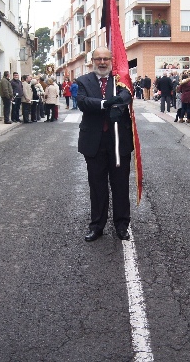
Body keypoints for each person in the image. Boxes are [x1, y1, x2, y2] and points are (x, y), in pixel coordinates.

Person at [76, 47, 133, 242]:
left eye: (106, 59)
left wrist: (119, 102)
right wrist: (106, 104)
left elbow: (127, 96)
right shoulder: (83, 81)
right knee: (97, 185)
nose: (102, 62)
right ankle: (97, 226)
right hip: (94, 142)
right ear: (92, 61)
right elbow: (83, 102)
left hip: (119, 141)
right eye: (98, 59)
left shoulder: (120, 80)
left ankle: (122, 225)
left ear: (111, 60)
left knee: (121, 185)